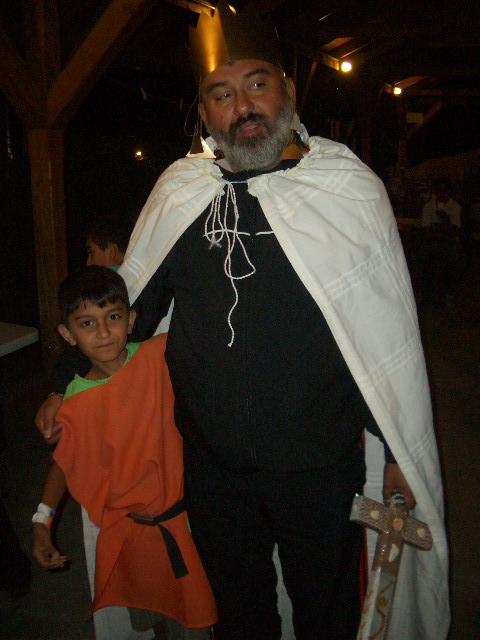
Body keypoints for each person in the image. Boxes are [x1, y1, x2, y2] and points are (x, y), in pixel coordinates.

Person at [35, 3, 449, 639]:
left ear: (287, 90)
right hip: (213, 467)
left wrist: (396, 452)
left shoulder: (345, 189)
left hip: (319, 465)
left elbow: (383, 337)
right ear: (204, 113)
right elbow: (127, 312)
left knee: (327, 613)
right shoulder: (182, 191)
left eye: (257, 84)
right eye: (221, 94)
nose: (243, 107)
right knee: (238, 616)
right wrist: (62, 381)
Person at [32, 266, 216, 640]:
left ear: (131, 320)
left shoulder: (161, 355)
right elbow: (65, 463)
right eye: (87, 323)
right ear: (67, 334)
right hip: (134, 536)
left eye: (113, 318)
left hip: (186, 524)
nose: (103, 332)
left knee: (196, 622)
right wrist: (41, 519)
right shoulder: (75, 402)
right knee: (156, 619)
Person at [412, 177, 464, 307]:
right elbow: (427, 232)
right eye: (439, 190)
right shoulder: (428, 207)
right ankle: (418, 292)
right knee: (417, 258)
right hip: (432, 241)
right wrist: (443, 232)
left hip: (449, 241)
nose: (442, 193)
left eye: (444, 190)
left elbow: (455, 232)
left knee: (456, 261)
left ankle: (450, 294)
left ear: (449, 191)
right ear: (435, 192)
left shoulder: (454, 207)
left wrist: (445, 220)